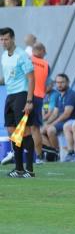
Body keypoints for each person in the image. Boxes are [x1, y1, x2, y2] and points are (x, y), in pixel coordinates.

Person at [0, 27, 35, 178]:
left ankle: (30, 169)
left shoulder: (22, 55)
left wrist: (29, 100)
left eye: (6, 39)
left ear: (13, 39)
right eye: (1, 39)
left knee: (25, 132)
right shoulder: (3, 55)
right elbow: (7, 79)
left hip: (22, 95)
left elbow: (31, 78)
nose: (3, 42)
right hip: (10, 95)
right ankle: (18, 168)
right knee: (12, 132)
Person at [40, 73, 75, 161]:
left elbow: (66, 114)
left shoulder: (71, 94)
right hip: (63, 122)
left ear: (67, 82)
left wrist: (52, 124)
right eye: (57, 82)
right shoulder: (59, 95)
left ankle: (57, 153)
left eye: (62, 82)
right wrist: (47, 123)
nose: (59, 84)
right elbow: (55, 113)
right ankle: (52, 152)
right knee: (41, 131)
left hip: (72, 120)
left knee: (50, 130)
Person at [30, 42, 51, 164]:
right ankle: (39, 157)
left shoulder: (26, 60)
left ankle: (17, 154)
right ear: (42, 51)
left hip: (24, 95)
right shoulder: (46, 64)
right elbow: (48, 85)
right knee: (35, 129)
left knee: (21, 127)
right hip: (38, 98)